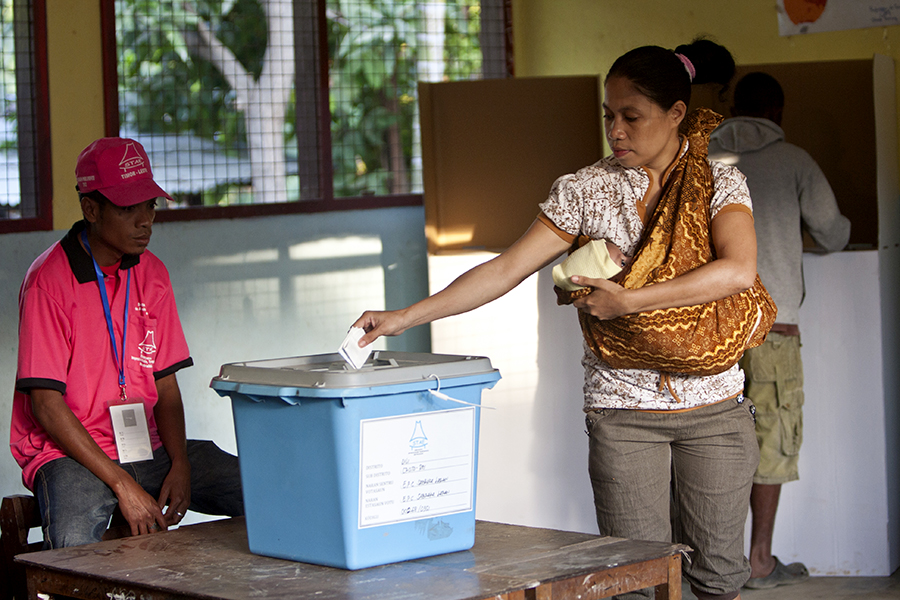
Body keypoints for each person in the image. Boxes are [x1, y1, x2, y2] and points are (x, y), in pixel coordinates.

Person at [354, 40, 761, 600]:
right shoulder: (585, 191)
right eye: (608, 116)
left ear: (676, 115)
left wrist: (629, 300)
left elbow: (739, 270)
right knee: (636, 580)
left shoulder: (721, 183)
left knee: (719, 576)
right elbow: (506, 268)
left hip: (715, 406)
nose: (615, 131)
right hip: (624, 411)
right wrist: (404, 317)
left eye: (631, 117)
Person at [10, 137, 244, 549]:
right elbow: (45, 404)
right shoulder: (48, 281)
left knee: (259, 489)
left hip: (146, 448)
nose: (145, 221)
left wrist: (180, 466)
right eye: (127, 208)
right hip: (70, 454)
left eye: (150, 206)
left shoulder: (153, 274)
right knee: (73, 542)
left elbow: (165, 386)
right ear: (91, 209)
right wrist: (123, 485)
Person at [709, 72, 850, 589]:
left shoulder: (703, 160)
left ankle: (711, 563)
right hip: (774, 327)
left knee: (710, 443)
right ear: (779, 114)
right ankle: (759, 561)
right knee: (773, 439)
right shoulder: (795, 161)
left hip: (711, 329)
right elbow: (833, 232)